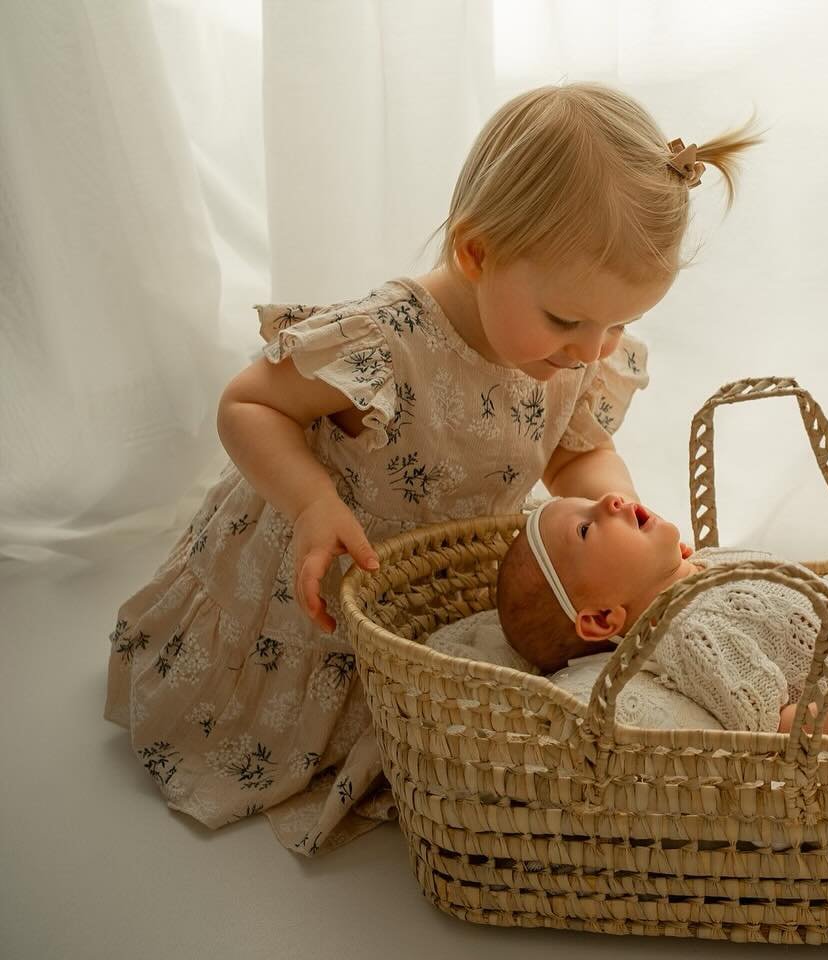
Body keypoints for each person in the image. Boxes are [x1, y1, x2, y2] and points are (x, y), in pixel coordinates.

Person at [104, 82, 763, 855]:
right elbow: (249, 404)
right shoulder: (388, 340)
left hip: (414, 594)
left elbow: (576, 449)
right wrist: (313, 501)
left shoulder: (570, 347)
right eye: (567, 320)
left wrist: (621, 519)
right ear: (476, 252)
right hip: (310, 579)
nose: (592, 349)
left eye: (621, 323)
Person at [496, 493, 828, 735]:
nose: (611, 500)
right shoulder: (686, 638)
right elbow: (771, 727)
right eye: (589, 527)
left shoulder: (705, 562)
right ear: (600, 620)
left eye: (594, 498)